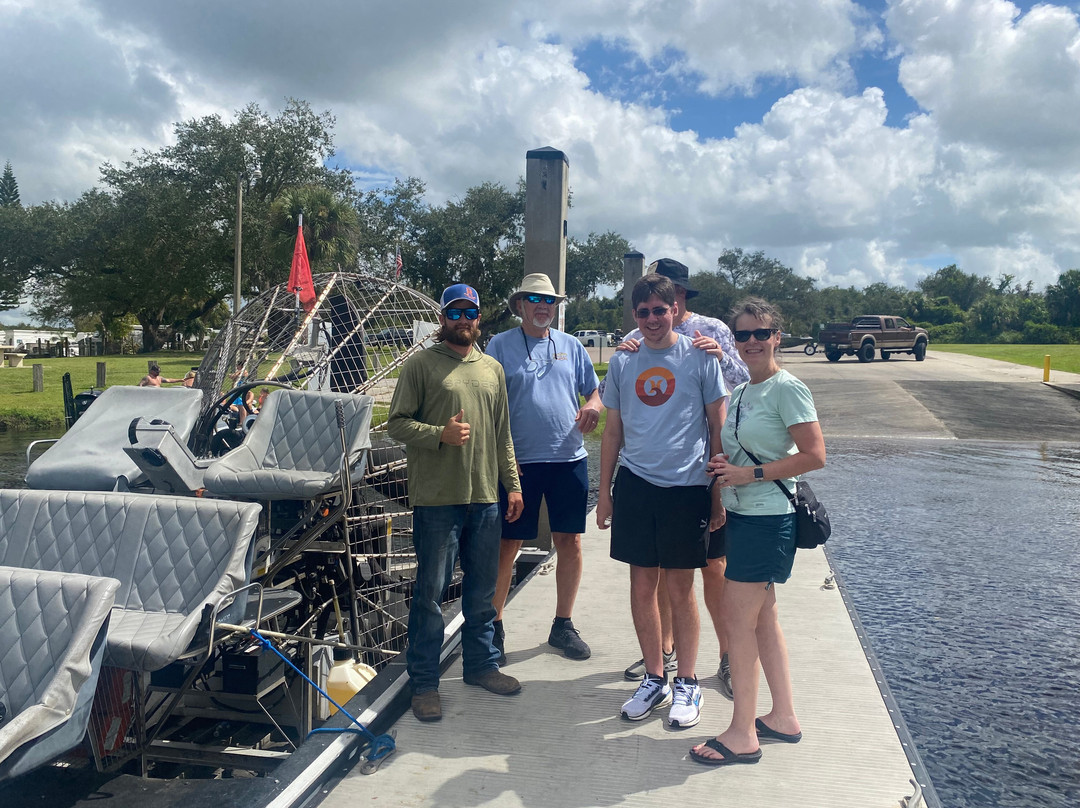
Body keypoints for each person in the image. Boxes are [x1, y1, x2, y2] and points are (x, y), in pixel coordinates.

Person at [689, 297, 826, 766]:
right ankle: (783, 716)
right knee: (762, 616)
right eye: (741, 334)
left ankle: (742, 732)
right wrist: (729, 468)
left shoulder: (789, 388)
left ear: (776, 338)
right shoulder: (746, 391)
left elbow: (814, 455)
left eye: (759, 334)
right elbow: (745, 449)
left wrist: (753, 475)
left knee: (737, 620)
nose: (750, 342)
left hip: (770, 518)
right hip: (745, 514)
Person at [387, 283, 524, 723]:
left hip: (485, 497)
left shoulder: (492, 369)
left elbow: (503, 434)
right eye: (455, 312)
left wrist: (513, 485)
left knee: (482, 591)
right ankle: (424, 682)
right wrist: (438, 435)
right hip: (437, 500)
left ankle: (480, 665)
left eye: (471, 312)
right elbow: (397, 424)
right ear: (442, 318)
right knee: (429, 594)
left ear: (479, 318)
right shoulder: (421, 365)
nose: (463, 319)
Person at [596, 272, 727, 729]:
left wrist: (717, 497)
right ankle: (654, 676)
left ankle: (687, 682)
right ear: (635, 316)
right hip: (635, 485)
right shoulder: (623, 362)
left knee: (680, 588)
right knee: (641, 585)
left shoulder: (700, 356)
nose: (652, 318)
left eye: (660, 309)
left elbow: (717, 432)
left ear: (676, 309)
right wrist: (604, 493)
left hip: (686, 488)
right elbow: (612, 432)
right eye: (644, 311)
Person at [618, 258, 749, 698]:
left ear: (679, 298)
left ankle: (726, 655)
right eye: (646, 308)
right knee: (656, 575)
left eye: (666, 301)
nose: (656, 313)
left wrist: (720, 353)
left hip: (698, 473)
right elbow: (622, 394)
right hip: (647, 479)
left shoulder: (710, 332)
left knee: (712, 570)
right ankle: (663, 656)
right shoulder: (635, 339)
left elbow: (741, 383)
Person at [485, 273, 603, 663]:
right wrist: (503, 458)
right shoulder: (499, 346)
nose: (542, 306)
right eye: (534, 299)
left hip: (569, 459)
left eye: (549, 301)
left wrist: (594, 407)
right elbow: (489, 403)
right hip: (519, 463)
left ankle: (562, 625)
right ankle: (494, 626)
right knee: (508, 544)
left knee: (569, 542)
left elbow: (594, 390)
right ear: (520, 304)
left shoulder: (571, 346)